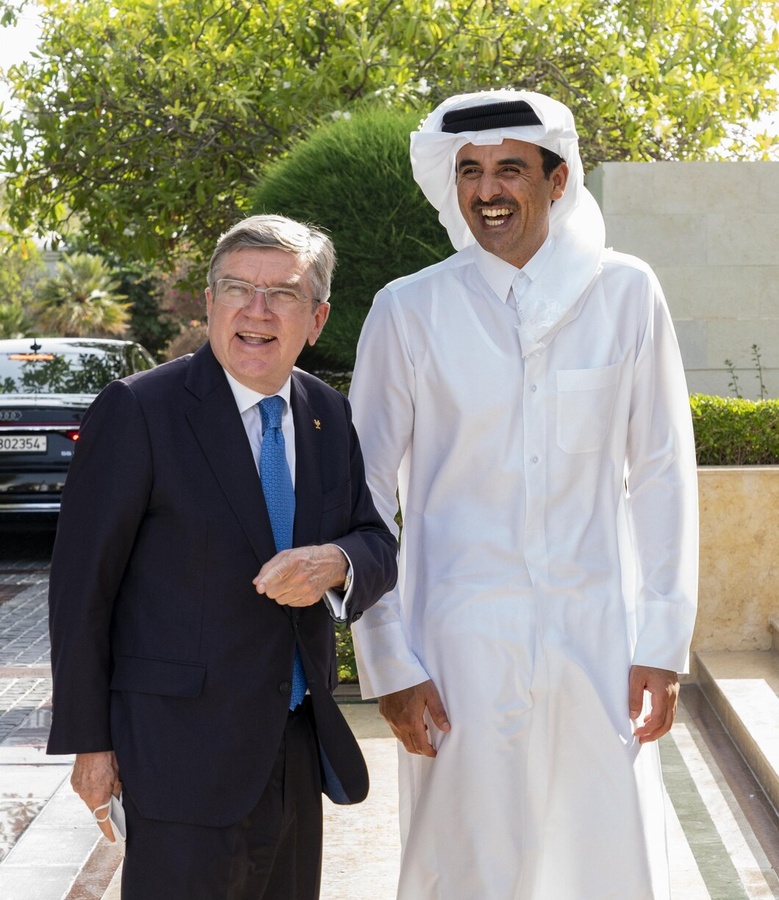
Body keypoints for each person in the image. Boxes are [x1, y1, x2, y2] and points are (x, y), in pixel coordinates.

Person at [348, 90, 698, 899]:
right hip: (453, 652)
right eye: (468, 171)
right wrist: (386, 660)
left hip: (598, 641)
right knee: (462, 867)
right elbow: (361, 494)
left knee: (604, 862)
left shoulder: (626, 293)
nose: (486, 190)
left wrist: (661, 643)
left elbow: (660, 472)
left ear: (558, 179)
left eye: (509, 168)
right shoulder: (408, 310)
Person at [47, 214, 398, 899]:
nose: (256, 310)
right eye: (237, 288)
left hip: (294, 746)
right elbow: (81, 587)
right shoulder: (138, 410)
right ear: (210, 303)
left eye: (283, 294)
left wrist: (336, 561)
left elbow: (376, 541)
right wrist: (91, 746)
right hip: (177, 753)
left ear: (317, 318)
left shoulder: (328, 415)